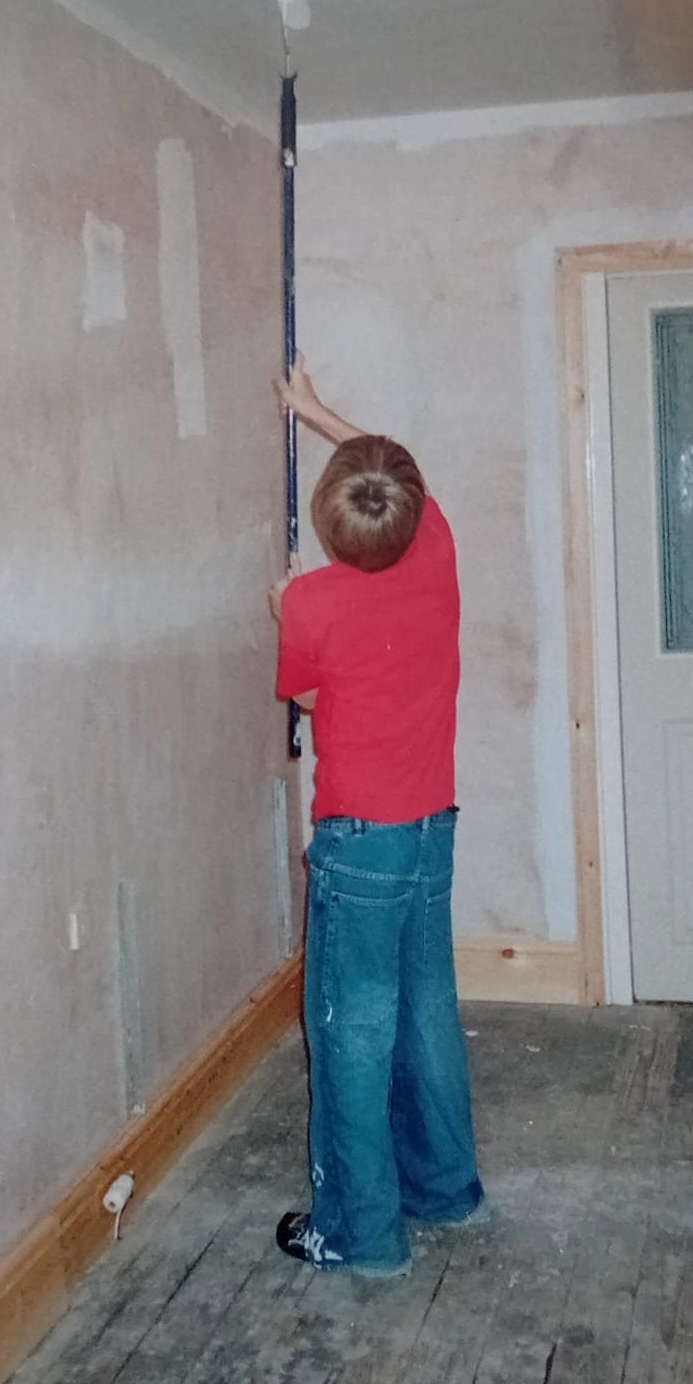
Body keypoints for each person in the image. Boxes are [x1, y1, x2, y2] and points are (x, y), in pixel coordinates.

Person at [268, 355, 485, 1277]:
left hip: (361, 843)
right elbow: (398, 472)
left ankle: (360, 1233)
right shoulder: (435, 548)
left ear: (328, 522)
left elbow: (311, 698)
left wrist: (284, 608)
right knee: (426, 1010)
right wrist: (317, 410)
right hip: (433, 828)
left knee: (350, 1031)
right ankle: (446, 1188)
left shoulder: (311, 601)